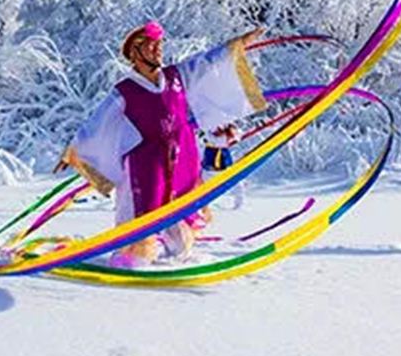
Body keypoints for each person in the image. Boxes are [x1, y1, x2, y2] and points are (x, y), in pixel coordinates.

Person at [60, 20, 266, 265]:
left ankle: (176, 249)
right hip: (146, 162)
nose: (158, 49)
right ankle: (131, 256)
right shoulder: (125, 92)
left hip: (182, 154)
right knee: (143, 212)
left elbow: (207, 64)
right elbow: (98, 125)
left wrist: (236, 45)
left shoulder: (177, 76)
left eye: (159, 44)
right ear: (135, 53)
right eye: (150, 45)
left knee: (182, 211)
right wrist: (76, 151)